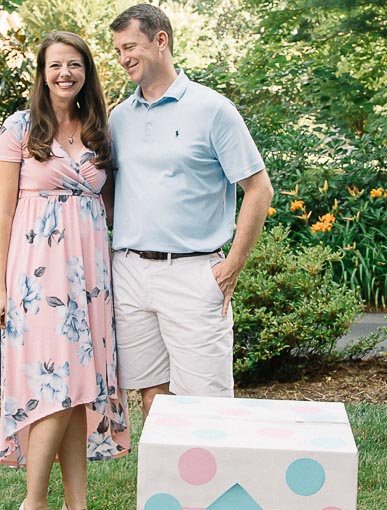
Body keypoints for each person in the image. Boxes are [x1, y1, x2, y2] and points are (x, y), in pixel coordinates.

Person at [0, 31, 129, 510]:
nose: (65, 73)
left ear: (87, 72)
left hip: (91, 279)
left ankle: (78, 509)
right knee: (55, 387)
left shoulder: (100, 131)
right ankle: (33, 508)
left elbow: (111, 207)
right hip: (37, 276)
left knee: (80, 391)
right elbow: (3, 216)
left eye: (75, 64)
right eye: (55, 65)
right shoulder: (20, 128)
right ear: (41, 73)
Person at [108, 4, 274, 418]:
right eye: (117, 51)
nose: (123, 57)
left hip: (194, 273)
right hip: (129, 273)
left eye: (130, 46)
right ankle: (170, 484)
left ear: (160, 40)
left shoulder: (212, 109)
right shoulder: (118, 118)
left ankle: (215, 482)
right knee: (152, 395)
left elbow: (259, 189)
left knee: (207, 402)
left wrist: (233, 264)